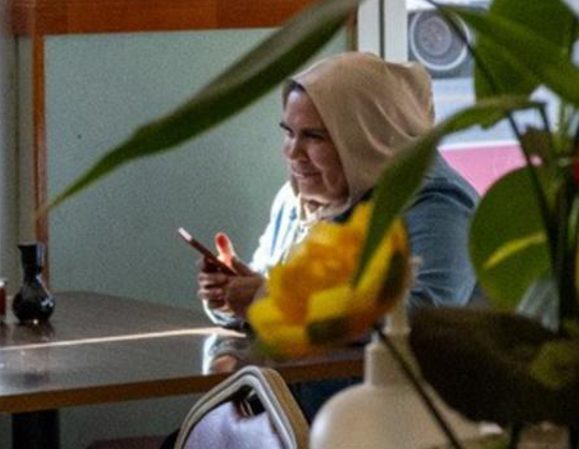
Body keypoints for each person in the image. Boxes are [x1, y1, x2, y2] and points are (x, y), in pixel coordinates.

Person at [196, 50, 479, 325]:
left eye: (314, 137)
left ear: (368, 138)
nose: (293, 152)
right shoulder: (298, 201)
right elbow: (267, 292)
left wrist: (271, 300)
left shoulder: (436, 204)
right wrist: (232, 297)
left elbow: (424, 316)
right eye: (289, 133)